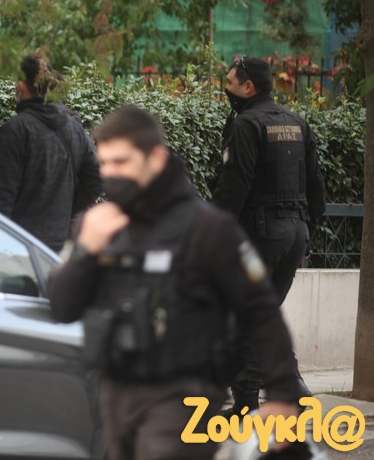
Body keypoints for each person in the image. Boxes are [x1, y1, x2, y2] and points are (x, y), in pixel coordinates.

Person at [47, 105, 302, 460]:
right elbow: (62, 307)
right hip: (117, 395)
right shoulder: (101, 227)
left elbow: (261, 311)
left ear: (155, 158)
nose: (111, 174)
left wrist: (282, 394)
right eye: (105, 164)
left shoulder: (208, 229)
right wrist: (84, 252)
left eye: (122, 162)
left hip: (186, 396)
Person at [211, 55, 326, 416]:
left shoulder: (246, 125)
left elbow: (235, 186)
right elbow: (316, 184)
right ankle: (295, 390)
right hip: (295, 232)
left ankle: (246, 404)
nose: (226, 89)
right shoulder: (296, 123)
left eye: (229, 83)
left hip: (262, 233)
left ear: (248, 87)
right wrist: (309, 233)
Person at [0, 53, 101, 252]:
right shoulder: (74, 127)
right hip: (58, 239)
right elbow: (96, 176)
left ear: (21, 85)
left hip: (20, 242)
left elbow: (3, 194)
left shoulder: (16, 129)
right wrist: (67, 208)